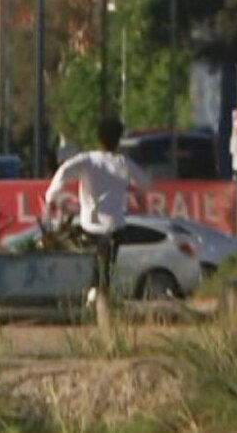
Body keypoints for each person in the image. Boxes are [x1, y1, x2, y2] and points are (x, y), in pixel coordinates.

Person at [44, 116, 150, 328]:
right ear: (118, 141)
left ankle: (95, 296)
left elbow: (63, 172)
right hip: (116, 225)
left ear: (98, 138)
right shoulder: (122, 163)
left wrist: (51, 198)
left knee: (96, 262)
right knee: (106, 265)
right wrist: (133, 192)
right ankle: (100, 296)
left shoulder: (87, 160)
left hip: (91, 224)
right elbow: (146, 182)